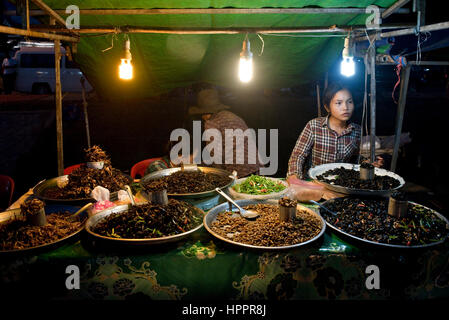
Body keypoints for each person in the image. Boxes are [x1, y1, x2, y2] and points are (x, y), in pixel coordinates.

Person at [286, 82, 382, 200]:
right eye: (338, 103)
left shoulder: (357, 130)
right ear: (327, 107)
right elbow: (298, 155)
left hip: (340, 188)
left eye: (349, 102)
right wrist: (294, 177)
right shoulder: (314, 126)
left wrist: (368, 163)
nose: (345, 107)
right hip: (313, 186)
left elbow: (355, 160)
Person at [188, 88, 263, 177]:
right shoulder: (231, 116)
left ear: (204, 113)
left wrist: (199, 166)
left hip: (239, 171)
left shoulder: (212, 122)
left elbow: (215, 157)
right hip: (256, 166)